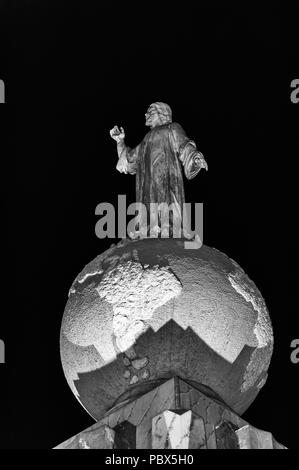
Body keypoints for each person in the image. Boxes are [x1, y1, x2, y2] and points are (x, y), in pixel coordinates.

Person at [110, 102, 208, 237]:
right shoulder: (146, 139)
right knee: (149, 206)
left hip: (167, 179)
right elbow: (129, 161)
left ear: (162, 114)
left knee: (167, 204)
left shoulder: (171, 128)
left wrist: (195, 158)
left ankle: (170, 226)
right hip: (148, 185)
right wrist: (120, 141)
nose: (146, 114)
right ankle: (150, 227)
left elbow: (184, 146)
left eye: (150, 111)